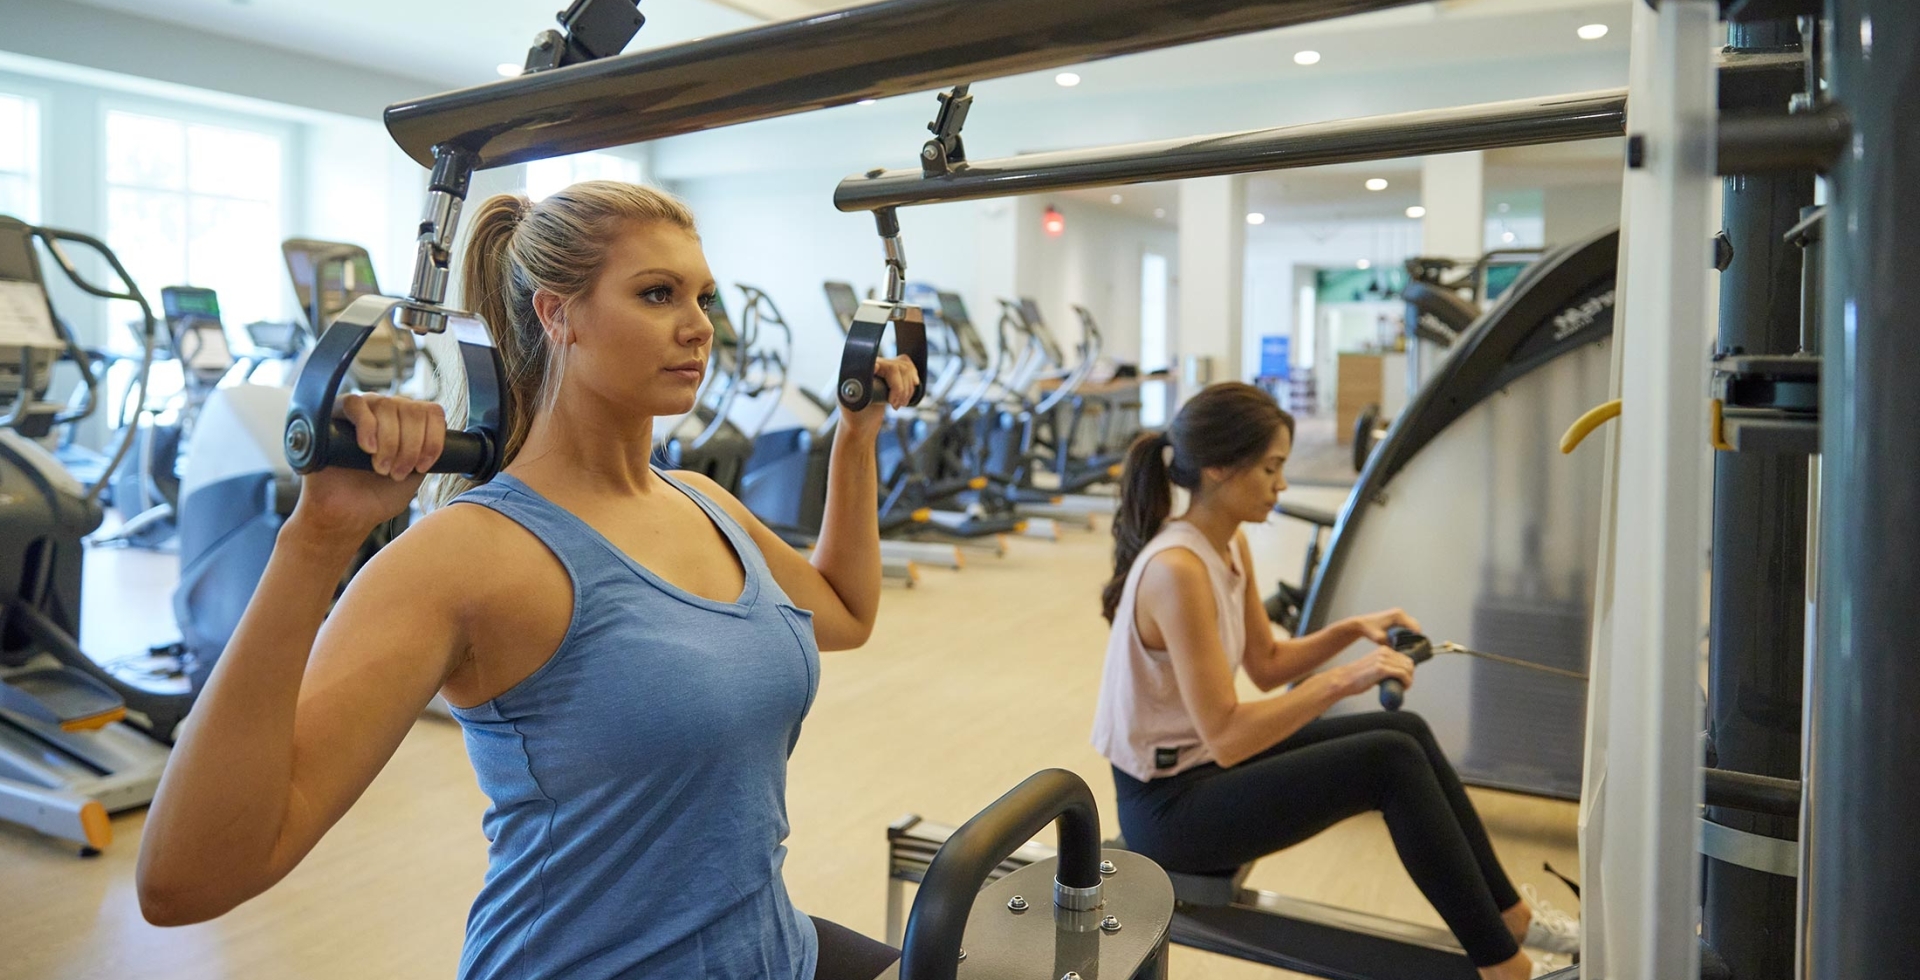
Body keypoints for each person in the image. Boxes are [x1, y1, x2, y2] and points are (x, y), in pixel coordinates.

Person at [136, 182, 916, 980]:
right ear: (557, 314)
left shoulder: (705, 503)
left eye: (703, 297)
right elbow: (185, 880)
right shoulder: (472, 554)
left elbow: (846, 613)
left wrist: (857, 432)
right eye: (657, 294)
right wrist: (317, 540)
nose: (699, 327)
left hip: (769, 947)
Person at [1090, 382, 1579, 980]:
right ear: (1218, 468)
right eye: (1271, 469)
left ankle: (1512, 918)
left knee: (1404, 731)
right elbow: (1228, 736)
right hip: (1168, 810)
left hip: (1199, 770)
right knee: (1387, 762)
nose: (1283, 485)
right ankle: (1505, 967)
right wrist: (1348, 678)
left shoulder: (1226, 543)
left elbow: (1267, 663)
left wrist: (1353, 630)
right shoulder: (1176, 571)